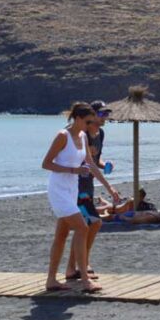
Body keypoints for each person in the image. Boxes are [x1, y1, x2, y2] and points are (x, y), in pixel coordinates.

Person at [41, 102, 121, 293]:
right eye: (87, 121)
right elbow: (46, 163)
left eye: (92, 121)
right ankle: (85, 280)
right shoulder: (63, 136)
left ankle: (51, 280)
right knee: (83, 227)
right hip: (59, 189)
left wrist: (109, 188)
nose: (90, 125)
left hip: (72, 189)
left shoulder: (83, 135)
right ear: (77, 119)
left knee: (61, 235)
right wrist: (73, 170)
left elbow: (91, 164)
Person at [65, 101, 111, 281]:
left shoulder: (100, 134)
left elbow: (93, 161)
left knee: (86, 226)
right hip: (76, 188)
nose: (105, 118)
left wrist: (105, 165)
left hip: (88, 186)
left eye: (106, 114)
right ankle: (76, 267)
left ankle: (80, 264)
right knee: (86, 225)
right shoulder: (81, 134)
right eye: (102, 114)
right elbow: (78, 160)